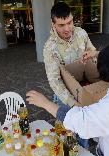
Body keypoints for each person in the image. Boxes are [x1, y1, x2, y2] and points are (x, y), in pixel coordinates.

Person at [43, 2, 99, 148]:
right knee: (70, 132)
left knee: (87, 123)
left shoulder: (81, 33)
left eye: (70, 22)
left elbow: (93, 54)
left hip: (85, 88)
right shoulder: (50, 47)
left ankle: (87, 145)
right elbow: (54, 80)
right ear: (53, 24)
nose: (67, 28)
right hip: (65, 95)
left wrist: (92, 55)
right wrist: (72, 103)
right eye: (61, 25)